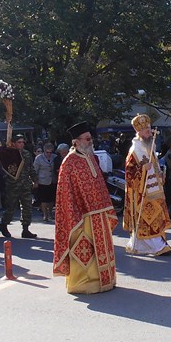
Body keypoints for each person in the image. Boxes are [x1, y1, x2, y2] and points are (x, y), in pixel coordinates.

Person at [53, 122, 118, 294]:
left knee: (102, 248)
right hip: (82, 216)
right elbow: (65, 194)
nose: (90, 142)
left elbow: (100, 186)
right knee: (85, 250)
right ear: (76, 141)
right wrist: (74, 215)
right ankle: (83, 283)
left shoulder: (91, 157)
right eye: (87, 139)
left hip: (100, 213)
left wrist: (107, 207)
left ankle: (106, 280)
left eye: (91, 139)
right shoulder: (69, 162)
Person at [123, 114, 171, 256]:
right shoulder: (134, 150)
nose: (149, 131)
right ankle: (158, 246)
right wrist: (143, 169)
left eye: (149, 128)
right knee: (147, 218)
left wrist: (160, 173)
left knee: (156, 217)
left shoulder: (150, 146)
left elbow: (155, 167)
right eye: (145, 129)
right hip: (142, 193)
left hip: (155, 190)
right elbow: (129, 173)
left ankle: (141, 245)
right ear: (138, 131)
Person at [0, 134, 38, 239]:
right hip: (13, 186)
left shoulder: (26, 154)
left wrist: (35, 180)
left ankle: (25, 229)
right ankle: (4, 225)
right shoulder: (9, 154)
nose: (21, 144)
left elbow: (31, 168)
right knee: (10, 208)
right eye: (19, 142)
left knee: (27, 207)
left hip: (25, 185)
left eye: (22, 142)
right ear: (14, 143)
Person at [33, 142, 57, 222]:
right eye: (47, 152)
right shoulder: (39, 158)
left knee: (51, 199)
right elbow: (35, 170)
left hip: (53, 180)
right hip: (42, 181)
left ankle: (50, 213)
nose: (49, 154)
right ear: (44, 151)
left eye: (50, 152)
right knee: (44, 199)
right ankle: (45, 214)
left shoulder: (55, 157)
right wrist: (35, 181)